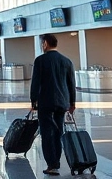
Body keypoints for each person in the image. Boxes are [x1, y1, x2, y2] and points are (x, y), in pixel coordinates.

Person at [30, 33, 77, 177]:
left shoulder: (40, 61)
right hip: (62, 102)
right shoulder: (67, 61)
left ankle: (52, 164)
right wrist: (72, 103)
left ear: (45, 43)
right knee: (58, 132)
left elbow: (35, 83)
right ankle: (56, 161)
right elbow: (71, 84)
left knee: (46, 132)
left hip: (46, 102)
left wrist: (33, 101)